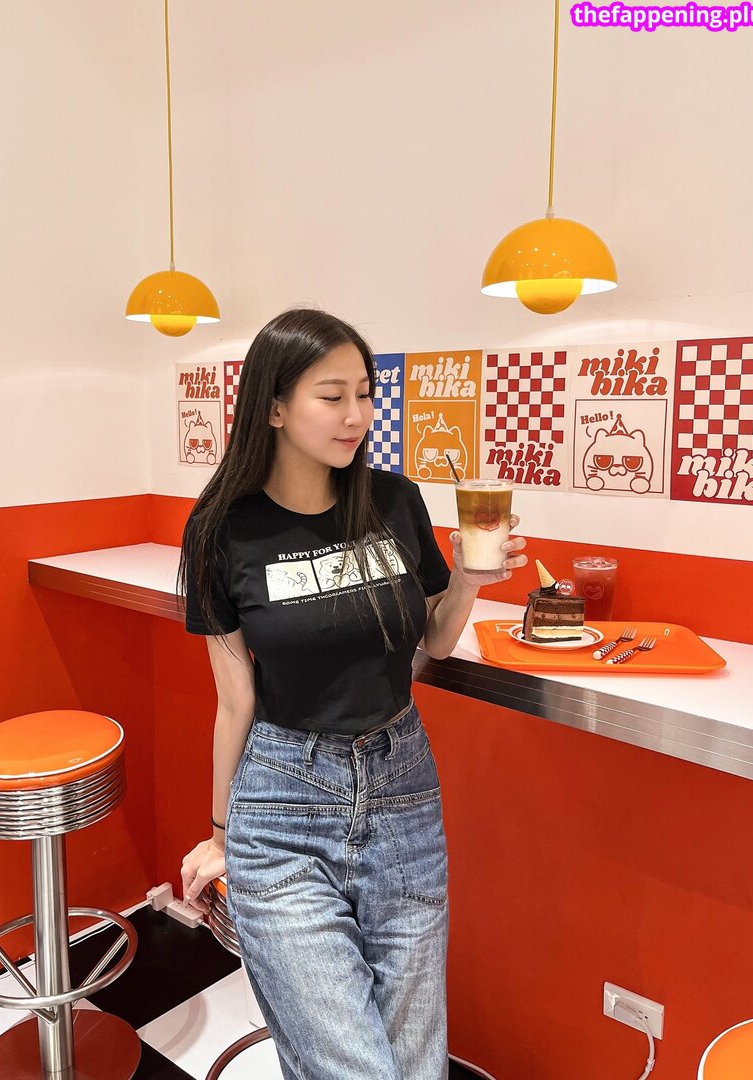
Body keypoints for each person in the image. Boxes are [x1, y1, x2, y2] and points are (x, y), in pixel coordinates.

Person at [178, 308, 527, 1080]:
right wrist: (220, 832)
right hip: (282, 800)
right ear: (274, 407)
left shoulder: (395, 502)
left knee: (415, 1062)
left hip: (404, 792)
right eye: (332, 396)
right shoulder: (222, 530)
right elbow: (235, 700)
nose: (357, 416)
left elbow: (434, 641)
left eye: (365, 394)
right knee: (352, 1067)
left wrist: (469, 581)